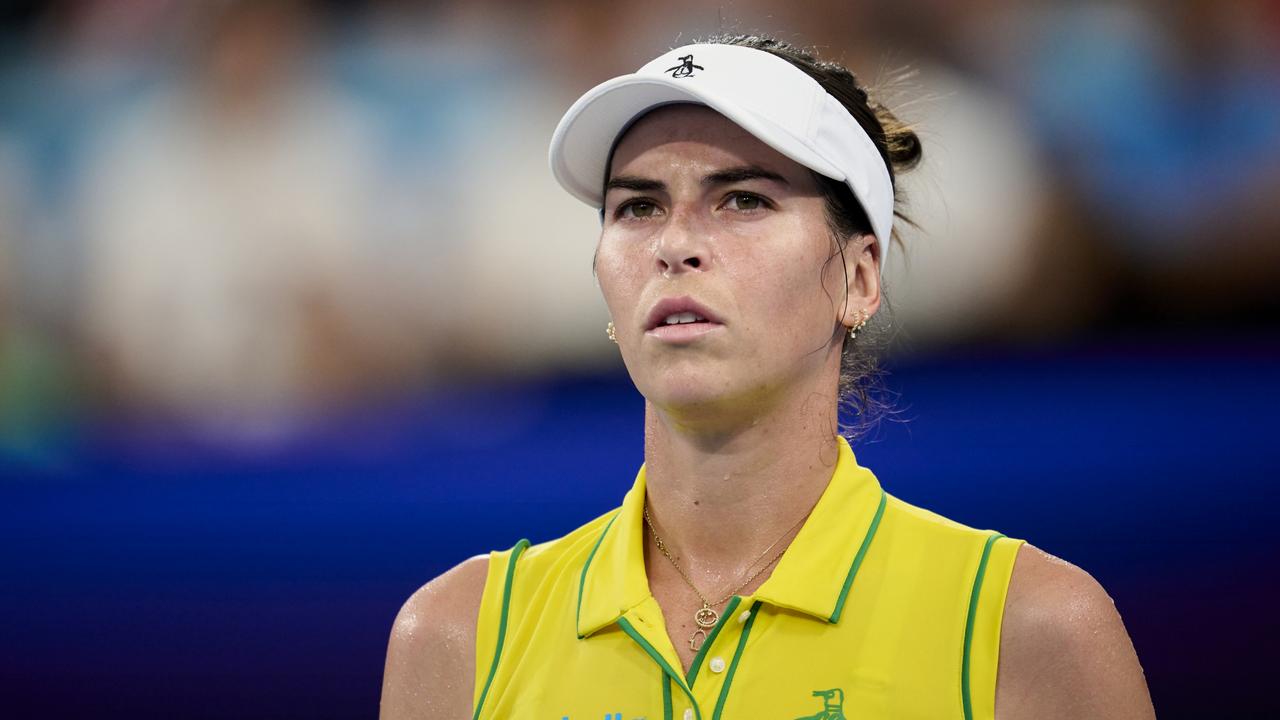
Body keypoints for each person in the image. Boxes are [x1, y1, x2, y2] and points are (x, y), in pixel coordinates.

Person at [380, 35, 1155, 720]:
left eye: (742, 199)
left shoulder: (1031, 626)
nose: (675, 244)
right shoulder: (457, 634)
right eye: (638, 208)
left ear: (858, 278)